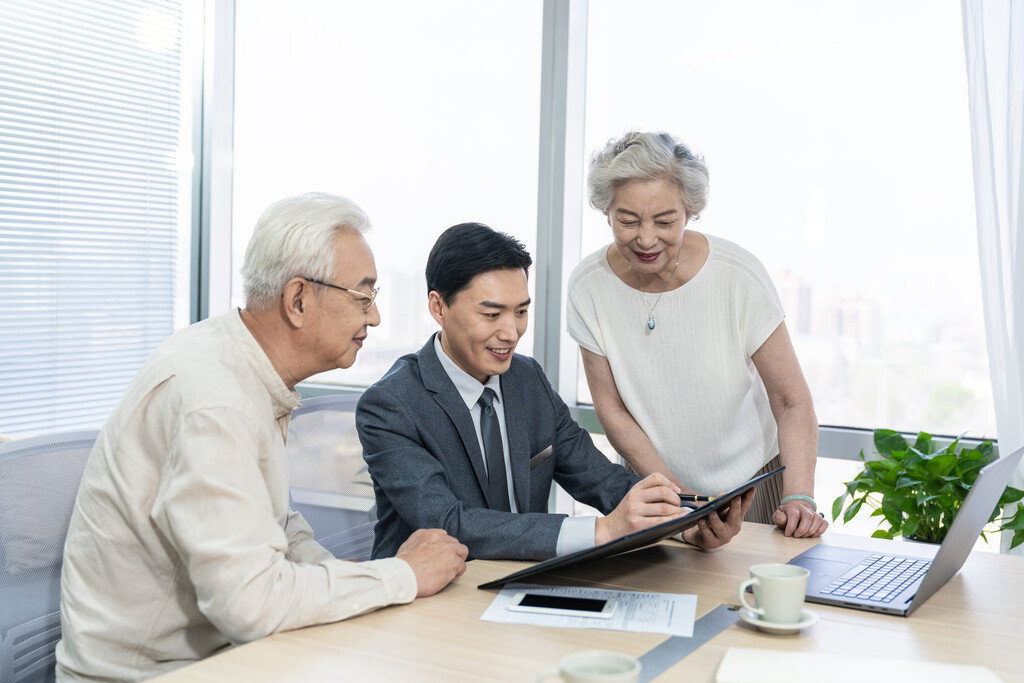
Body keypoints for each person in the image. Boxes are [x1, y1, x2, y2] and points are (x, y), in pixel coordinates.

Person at [56, 193, 468, 681]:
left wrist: (347, 577)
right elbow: (248, 606)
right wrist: (400, 576)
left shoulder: (242, 367)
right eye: (363, 297)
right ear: (298, 300)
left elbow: (274, 524)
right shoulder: (215, 400)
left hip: (225, 657)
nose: (373, 318)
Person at [357, 222, 753, 562]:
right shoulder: (391, 406)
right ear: (438, 307)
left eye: (521, 311)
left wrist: (683, 524)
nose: (510, 333)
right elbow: (448, 523)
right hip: (427, 600)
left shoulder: (527, 380)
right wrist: (601, 531)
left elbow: (598, 478)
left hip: (518, 581)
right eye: (492, 314)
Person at [567, 131, 827, 539]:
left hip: (753, 484)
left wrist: (799, 497)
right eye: (628, 220)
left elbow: (791, 400)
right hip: (652, 486)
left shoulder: (737, 276)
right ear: (606, 211)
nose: (647, 238)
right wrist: (675, 496)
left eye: (665, 221)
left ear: (689, 211)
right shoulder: (588, 286)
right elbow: (612, 408)